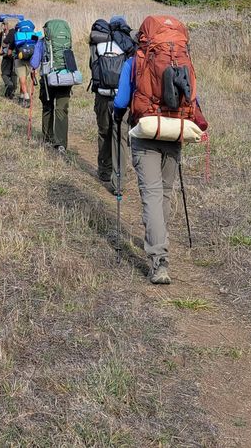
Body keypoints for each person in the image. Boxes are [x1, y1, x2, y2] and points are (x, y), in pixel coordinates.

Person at [112, 14, 210, 286]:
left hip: (146, 131)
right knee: (164, 194)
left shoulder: (135, 61)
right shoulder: (180, 59)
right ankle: (160, 244)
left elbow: (120, 101)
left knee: (152, 196)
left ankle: (159, 261)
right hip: (175, 130)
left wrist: (117, 115)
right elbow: (193, 98)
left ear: (141, 39)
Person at [90, 16, 135, 186]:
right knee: (120, 138)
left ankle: (104, 171)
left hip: (102, 96)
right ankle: (119, 181)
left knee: (104, 133)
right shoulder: (128, 44)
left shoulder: (99, 43)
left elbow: (93, 66)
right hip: (122, 99)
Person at [30, 19, 73, 154]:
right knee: (62, 110)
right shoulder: (65, 43)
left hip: (48, 80)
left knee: (48, 107)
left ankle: (48, 138)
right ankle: (61, 144)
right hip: (65, 79)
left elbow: (34, 63)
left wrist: (33, 70)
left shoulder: (42, 43)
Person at [0, 18, 17, 99]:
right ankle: (11, 92)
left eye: (4, 24)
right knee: (14, 74)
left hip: (6, 56)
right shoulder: (17, 33)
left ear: (7, 25)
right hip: (16, 57)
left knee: (4, 73)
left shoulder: (3, 34)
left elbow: (1, 45)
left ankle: (9, 85)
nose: (3, 26)